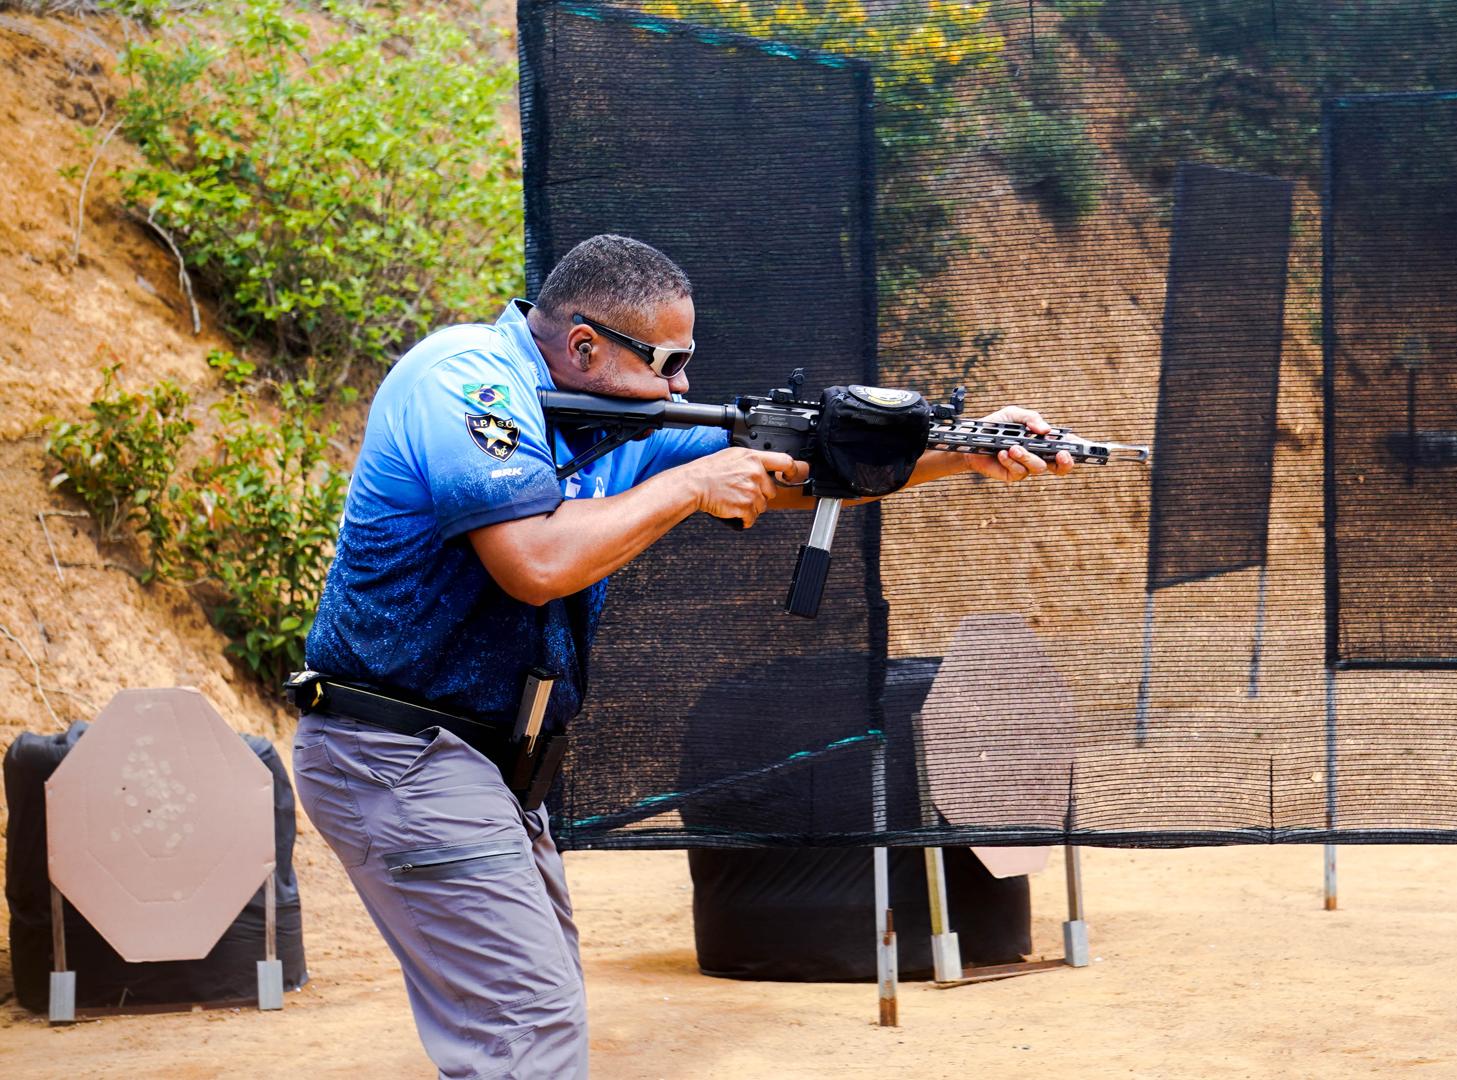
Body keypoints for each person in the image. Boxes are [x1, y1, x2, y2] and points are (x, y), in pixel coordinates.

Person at [290, 234, 1071, 1077]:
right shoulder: (466, 381)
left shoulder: (598, 416)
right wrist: (689, 487)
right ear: (584, 346)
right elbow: (535, 562)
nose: (682, 386)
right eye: (668, 362)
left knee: (532, 1023)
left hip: (479, 765)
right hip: (400, 751)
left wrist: (962, 451)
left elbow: (788, 473)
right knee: (527, 1028)